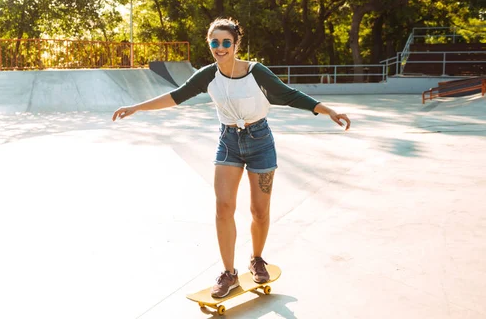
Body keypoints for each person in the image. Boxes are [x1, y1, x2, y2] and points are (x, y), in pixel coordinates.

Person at [112, 17, 351, 298]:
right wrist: (136, 107)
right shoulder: (207, 75)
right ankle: (229, 273)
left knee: (259, 211)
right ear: (209, 44)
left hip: (260, 141)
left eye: (226, 42)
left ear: (236, 44)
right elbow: (176, 96)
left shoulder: (256, 72)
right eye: (215, 42)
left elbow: (289, 95)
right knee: (223, 207)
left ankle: (257, 259)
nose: (220, 47)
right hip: (228, 143)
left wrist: (328, 110)